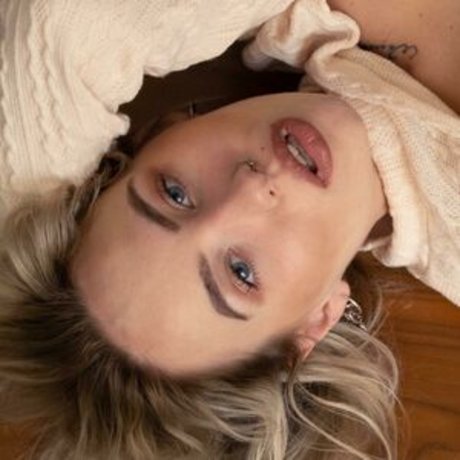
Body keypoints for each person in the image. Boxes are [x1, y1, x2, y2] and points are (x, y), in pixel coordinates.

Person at [0, 0, 458, 458]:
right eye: (241, 273)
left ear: (159, 135)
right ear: (317, 320)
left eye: (174, 193)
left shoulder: (304, 27)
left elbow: (47, 25)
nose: (248, 189)